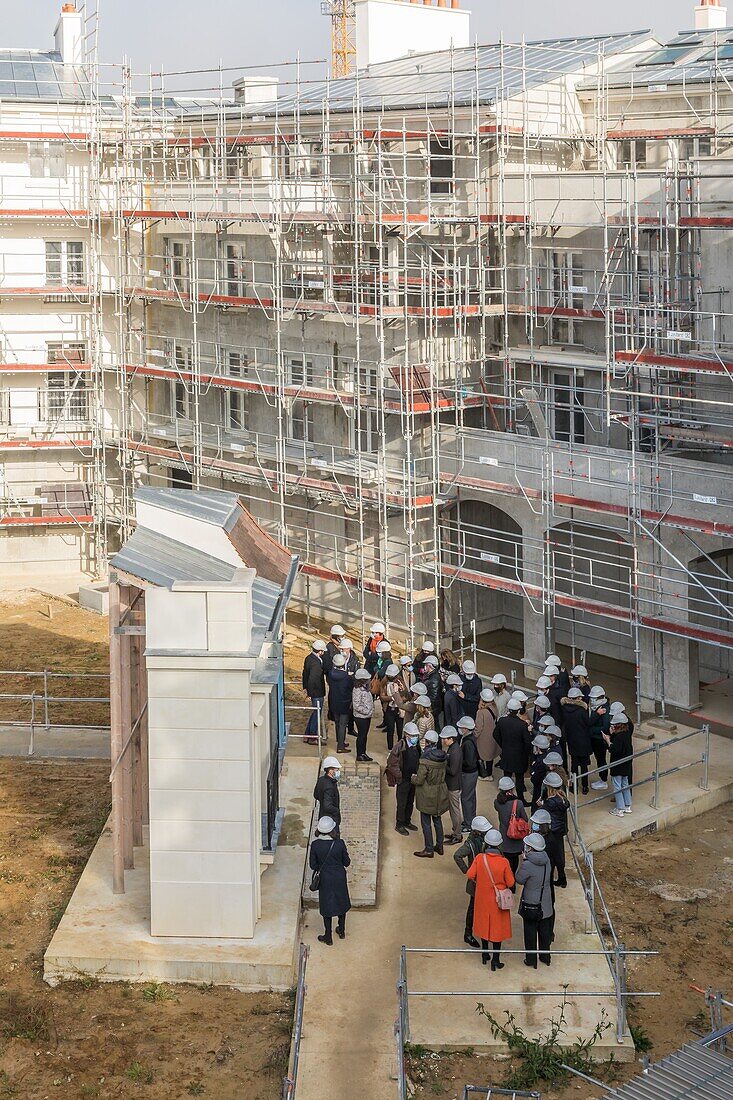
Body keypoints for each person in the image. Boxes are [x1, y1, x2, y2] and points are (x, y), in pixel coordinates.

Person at [465, 828, 514, 969]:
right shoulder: (504, 862)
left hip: (482, 898)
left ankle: (485, 954)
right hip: (498, 901)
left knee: (483, 926)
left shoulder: (480, 858)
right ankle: (495, 960)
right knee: (497, 930)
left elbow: (470, 874)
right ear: (499, 845)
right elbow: (510, 882)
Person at [309, 816, 351, 945]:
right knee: (341, 903)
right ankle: (341, 930)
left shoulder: (315, 845)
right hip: (339, 877)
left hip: (325, 879)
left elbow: (313, 865)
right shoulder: (339, 843)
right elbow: (347, 862)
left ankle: (328, 936)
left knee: (327, 906)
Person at [515, 832, 554, 967]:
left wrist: (522, 861)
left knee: (530, 933)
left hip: (531, 904)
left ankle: (531, 960)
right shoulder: (547, 860)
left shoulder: (528, 865)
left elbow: (519, 879)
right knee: (544, 932)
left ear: (530, 848)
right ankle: (545, 957)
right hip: (545, 902)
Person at [454, 815, 491, 948]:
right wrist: (467, 871)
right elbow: (457, 855)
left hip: (484, 880)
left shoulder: (482, 839)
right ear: (477, 831)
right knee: (473, 908)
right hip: (476, 882)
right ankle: (468, 933)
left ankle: (480, 933)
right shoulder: (470, 843)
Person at [411, 729, 449, 858]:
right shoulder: (442, 756)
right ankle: (439, 846)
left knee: (426, 822)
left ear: (427, 742)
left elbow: (420, 779)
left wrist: (413, 778)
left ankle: (428, 848)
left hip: (427, 794)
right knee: (437, 820)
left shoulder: (425, 759)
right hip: (440, 792)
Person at [386, 721, 421, 834]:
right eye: (413, 735)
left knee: (410, 801)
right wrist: (400, 775)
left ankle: (407, 821)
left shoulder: (417, 746)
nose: (415, 738)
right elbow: (392, 763)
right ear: (406, 735)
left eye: (416, 735)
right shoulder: (400, 746)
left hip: (413, 779)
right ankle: (399, 823)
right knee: (402, 803)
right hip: (403, 780)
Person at [494, 697, 532, 802]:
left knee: (507, 776)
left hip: (506, 753)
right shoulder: (522, 725)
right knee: (519, 779)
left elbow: (495, 734)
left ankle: (506, 796)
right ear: (518, 710)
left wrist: (503, 745)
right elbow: (527, 742)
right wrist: (525, 753)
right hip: (519, 756)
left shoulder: (502, 721)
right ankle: (520, 799)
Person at [537, 771, 569, 887]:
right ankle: (562, 878)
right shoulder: (563, 798)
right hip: (560, 830)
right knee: (559, 855)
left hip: (551, 831)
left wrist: (541, 804)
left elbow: (542, 812)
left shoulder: (550, 803)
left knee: (550, 857)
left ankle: (548, 881)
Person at [494, 775, 529, 877]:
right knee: (514, 860)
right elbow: (525, 819)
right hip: (516, 838)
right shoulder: (518, 803)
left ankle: (508, 879)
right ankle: (512, 878)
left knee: (507, 860)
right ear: (512, 789)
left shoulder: (497, 803)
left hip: (504, 838)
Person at [561, 686, 592, 796]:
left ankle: (573, 786)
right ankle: (584, 786)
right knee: (584, 766)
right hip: (583, 740)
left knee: (574, 765)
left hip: (572, 740)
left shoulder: (564, 709)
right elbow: (588, 723)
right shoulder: (581, 711)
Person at [606, 712, 633, 817]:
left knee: (617, 786)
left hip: (618, 765)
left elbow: (614, 749)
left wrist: (608, 741)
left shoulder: (619, 737)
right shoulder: (626, 734)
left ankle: (620, 808)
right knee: (625, 785)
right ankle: (627, 805)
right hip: (626, 764)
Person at [441, 725, 463, 844]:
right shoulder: (453, 748)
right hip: (453, 784)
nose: (443, 741)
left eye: (445, 738)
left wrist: (444, 764)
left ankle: (457, 835)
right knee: (453, 810)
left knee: (455, 811)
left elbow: (453, 771)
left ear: (451, 738)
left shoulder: (455, 751)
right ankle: (456, 831)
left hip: (454, 785)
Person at [302, 639, 327, 746]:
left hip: (314, 691)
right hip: (317, 692)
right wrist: (310, 692)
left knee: (315, 713)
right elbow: (313, 678)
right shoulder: (316, 663)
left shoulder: (309, 658)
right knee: (317, 713)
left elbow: (304, 674)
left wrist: (305, 687)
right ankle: (312, 736)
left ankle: (308, 734)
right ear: (320, 651)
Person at [328, 653, 353, 753]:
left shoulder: (330, 674)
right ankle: (340, 746)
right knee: (343, 724)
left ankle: (340, 740)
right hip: (344, 703)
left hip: (334, 701)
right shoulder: (346, 677)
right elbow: (350, 688)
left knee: (337, 723)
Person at [458, 715, 480, 830]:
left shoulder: (467, 742)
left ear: (466, 729)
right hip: (472, 773)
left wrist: (459, 763)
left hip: (468, 773)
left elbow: (470, 762)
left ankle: (468, 824)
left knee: (466, 798)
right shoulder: (471, 738)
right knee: (470, 797)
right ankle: (470, 819)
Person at [588, 685, 610, 791]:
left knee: (601, 759)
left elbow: (605, 727)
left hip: (599, 740)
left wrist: (592, 730)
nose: (591, 700)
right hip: (595, 738)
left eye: (593, 698)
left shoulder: (604, 709)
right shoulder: (597, 707)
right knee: (599, 759)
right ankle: (602, 778)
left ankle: (603, 780)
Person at [475, 688, 499, 780]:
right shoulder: (494, 707)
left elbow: (478, 728)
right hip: (492, 736)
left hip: (483, 738)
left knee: (481, 755)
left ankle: (484, 774)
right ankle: (489, 773)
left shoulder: (481, 712)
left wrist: (474, 736)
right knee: (490, 756)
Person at [351, 668, 374, 761]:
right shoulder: (357, 690)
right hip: (361, 717)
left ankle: (363, 753)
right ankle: (360, 754)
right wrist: (367, 711)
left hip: (366, 716)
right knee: (361, 735)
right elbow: (356, 705)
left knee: (364, 735)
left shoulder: (364, 688)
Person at [313, 757, 341, 834]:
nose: (338, 772)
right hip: (331, 818)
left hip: (322, 815)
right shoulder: (329, 786)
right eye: (337, 770)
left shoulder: (321, 780)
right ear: (330, 770)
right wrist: (336, 811)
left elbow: (316, 795)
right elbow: (327, 806)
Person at [380, 663, 404, 750]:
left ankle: (400, 746)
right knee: (390, 729)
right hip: (389, 708)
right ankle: (390, 748)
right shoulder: (384, 682)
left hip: (399, 708)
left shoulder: (400, 681)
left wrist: (399, 697)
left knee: (400, 729)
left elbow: (405, 695)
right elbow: (382, 696)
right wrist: (391, 698)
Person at [421, 654, 444, 728]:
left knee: (434, 725)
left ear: (429, 666)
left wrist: (429, 709)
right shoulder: (432, 676)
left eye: (426, 664)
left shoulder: (434, 679)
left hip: (433, 708)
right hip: (433, 707)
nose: (425, 666)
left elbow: (434, 697)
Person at [529, 733, 550, 810]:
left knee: (536, 806)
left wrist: (533, 772)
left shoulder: (540, 762)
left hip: (539, 788)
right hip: (544, 787)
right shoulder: (547, 756)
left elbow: (535, 779)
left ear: (538, 748)